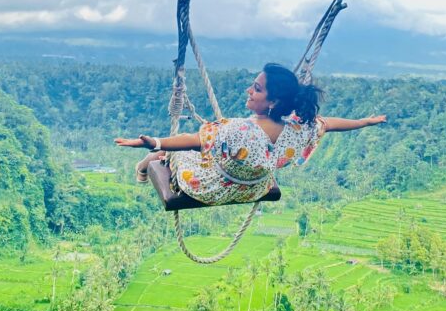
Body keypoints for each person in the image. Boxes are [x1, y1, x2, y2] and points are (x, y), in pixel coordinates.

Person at [115, 62, 386, 206]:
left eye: (256, 88)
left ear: (273, 102)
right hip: (254, 188)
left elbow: (194, 141)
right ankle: (148, 160)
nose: (248, 90)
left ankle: (145, 163)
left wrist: (156, 141)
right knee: (189, 147)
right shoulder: (300, 128)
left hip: (209, 187)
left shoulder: (240, 131)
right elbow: (331, 123)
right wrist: (363, 122)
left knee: (173, 152)